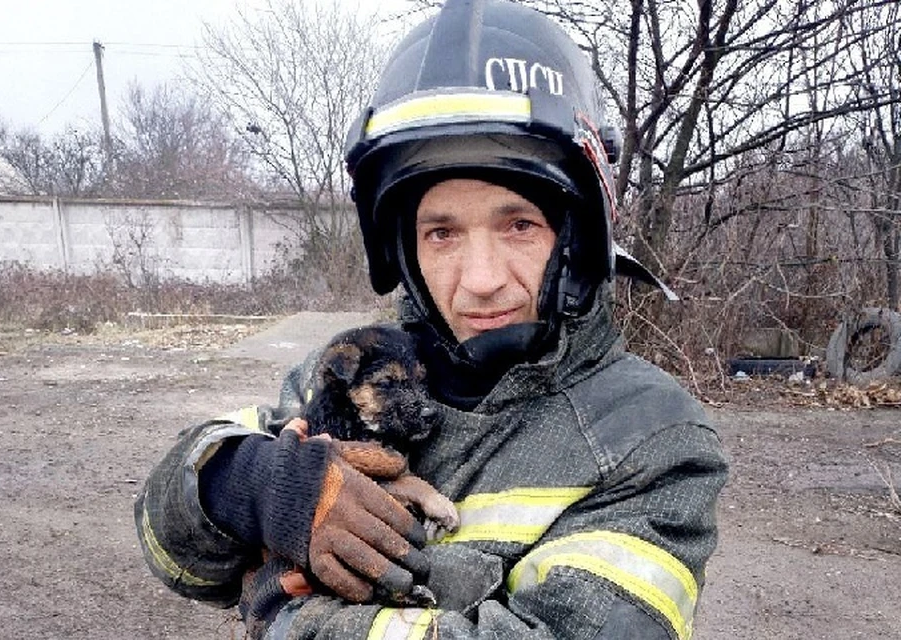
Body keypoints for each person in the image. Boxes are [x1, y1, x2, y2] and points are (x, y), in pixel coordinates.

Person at [134, 1, 728, 638]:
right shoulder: (350, 371)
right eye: (441, 232)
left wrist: (290, 622)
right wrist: (247, 482)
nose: (480, 279)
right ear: (405, 251)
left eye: (519, 225)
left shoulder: (653, 436)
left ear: (576, 237)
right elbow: (175, 548)